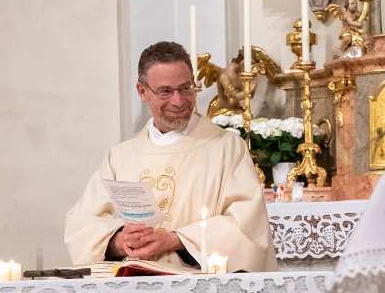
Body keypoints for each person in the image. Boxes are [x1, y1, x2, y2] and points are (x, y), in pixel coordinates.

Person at [64, 41, 276, 273]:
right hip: (131, 285)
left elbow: (247, 227)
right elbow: (82, 225)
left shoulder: (227, 148)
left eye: (185, 88)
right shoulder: (120, 157)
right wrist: (119, 241)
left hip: (196, 285)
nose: (178, 101)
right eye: (166, 91)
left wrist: (175, 240)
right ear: (142, 91)